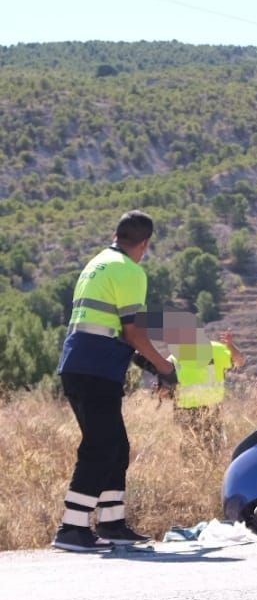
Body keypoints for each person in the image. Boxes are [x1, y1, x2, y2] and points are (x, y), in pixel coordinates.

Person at [52, 211, 175, 552]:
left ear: (117, 234)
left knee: (116, 445)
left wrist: (150, 365)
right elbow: (132, 330)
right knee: (101, 445)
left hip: (80, 363)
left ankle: (111, 522)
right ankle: (72, 528)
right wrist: (164, 366)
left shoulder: (97, 263)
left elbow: (112, 329)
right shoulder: (130, 270)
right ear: (145, 245)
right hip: (96, 368)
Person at [163, 313, 245, 449]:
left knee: (212, 449)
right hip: (187, 412)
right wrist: (163, 391)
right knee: (192, 451)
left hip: (211, 409)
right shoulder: (175, 357)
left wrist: (231, 346)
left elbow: (240, 361)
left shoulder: (216, 349)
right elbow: (164, 389)